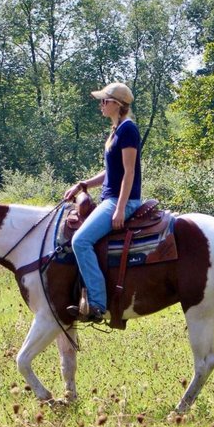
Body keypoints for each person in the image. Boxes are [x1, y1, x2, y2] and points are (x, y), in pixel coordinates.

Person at [62, 82, 143, 323]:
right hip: (110, 198)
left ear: (117, 105)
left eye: (104, 101)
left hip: (121, 201)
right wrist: (83, 184)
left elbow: (129, 173)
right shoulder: (116, 130)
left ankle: (97, 303)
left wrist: (120, 208)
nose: (101, 105)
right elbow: (111, 172)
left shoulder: (128, 130)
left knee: (81, 241)